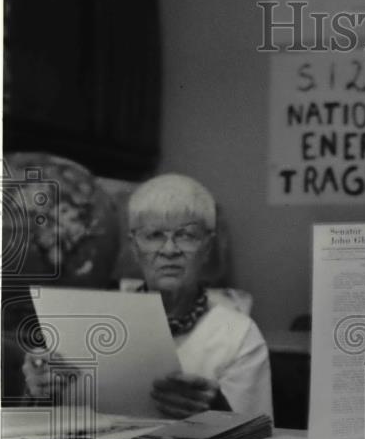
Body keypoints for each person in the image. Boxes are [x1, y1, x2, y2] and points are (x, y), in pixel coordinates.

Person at [22, 174, 274, 419]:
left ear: (207, 246)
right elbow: (51, 420)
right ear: (134, 247)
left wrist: (216, 411)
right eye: (154, 235)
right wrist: (41, 387)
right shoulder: (93, 319)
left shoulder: (239, 335)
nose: (169, 250)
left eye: (186, 235)